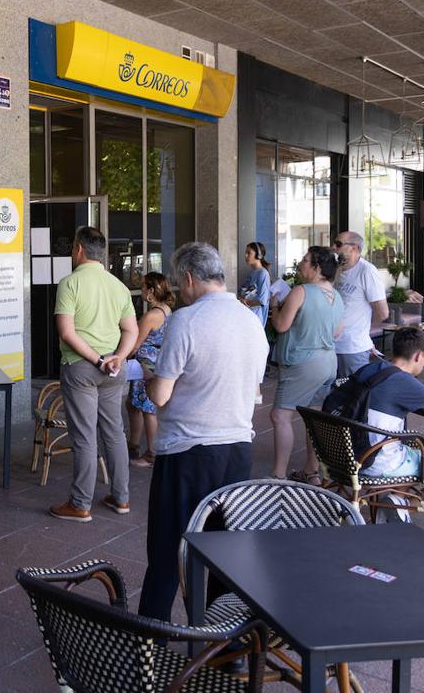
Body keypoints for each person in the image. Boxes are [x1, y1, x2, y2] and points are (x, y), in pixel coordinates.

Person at [139, 242, 268, 621]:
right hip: (238, 449)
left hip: (188, 450)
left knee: (167, 548)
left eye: (180, 284)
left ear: (190, 278)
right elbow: (254, 388)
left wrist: (148, 374)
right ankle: (224, 645)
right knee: (223, 550)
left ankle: (152, 638)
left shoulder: (187, 321)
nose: (180, 291)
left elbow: (160, 395)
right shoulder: (250, 321)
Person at [49, 226, 137, 522]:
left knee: (85, 436)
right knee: (114, 432)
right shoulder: (118, 286)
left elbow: (66, 333)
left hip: (83, 368)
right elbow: (131, 330)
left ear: (78, 250)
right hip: (114, 369)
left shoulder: (69, 283)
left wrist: (99, 360)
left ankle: (80, 503)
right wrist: (117, 358)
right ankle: (121, 498)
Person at [348, 326, 424, 511]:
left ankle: (396, 501)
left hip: (349, 456)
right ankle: (398, 507)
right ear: (418, 356)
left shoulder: (371, 369)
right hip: (378, 463)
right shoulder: (405, 382)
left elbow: (410, 399)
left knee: (410, 450)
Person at [268, 247, 344, 481]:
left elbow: (281, 325)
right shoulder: (337, 295)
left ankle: (278, 474)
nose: (300, 263)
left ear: (317, 267)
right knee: (313, 416)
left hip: (302, 362)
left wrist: (274, 306)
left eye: (304, 260)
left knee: (280, 416)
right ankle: (312, 472)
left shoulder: (300, 291)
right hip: (328, 361)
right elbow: (337, 332)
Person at [125, 272, 174, 468]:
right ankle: (134, 444)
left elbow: (135, 343)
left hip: (144, 365)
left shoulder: (151, 315)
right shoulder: (167, 310)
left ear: (151, 291)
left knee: (147, 409)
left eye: (144, 287)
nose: (142, 290)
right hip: (157, 362)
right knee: (134, 404)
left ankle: (151, 452)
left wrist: (122, 357)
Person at [332, 231, 388, 378]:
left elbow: (382, 313)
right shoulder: (337, 270)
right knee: (334, 393)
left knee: (349, 392)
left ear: (354, 248)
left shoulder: (367, 271)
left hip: (352, 348)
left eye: (338, 244)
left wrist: (361, 332)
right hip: (330, 346)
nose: (333, 247)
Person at [238, 241, 271, 327]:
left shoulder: (263, 274)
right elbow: (243, 293)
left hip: (255, 321)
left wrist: (246, 302)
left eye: (249, 253)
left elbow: (261, 300)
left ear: (259, 255)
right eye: (246, 253)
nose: (246, 256)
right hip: (246, 318)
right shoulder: (251, 273)